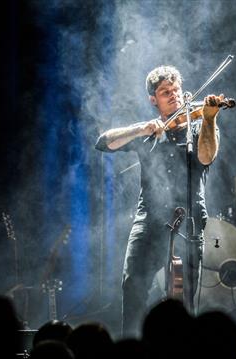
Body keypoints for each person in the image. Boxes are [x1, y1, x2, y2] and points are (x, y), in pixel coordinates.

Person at [95, 65, 223, 337]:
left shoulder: (200, 125)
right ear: (154, 99)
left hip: (189, 218)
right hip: (150, 219)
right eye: (166, 92)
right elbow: (103, 143)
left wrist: (210, 119)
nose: (174, 95)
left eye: (176, 89)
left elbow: (206, 158)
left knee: (186, 296)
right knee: (133, 285)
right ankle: (130, 344)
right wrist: (142, 128)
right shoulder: (150, 133)